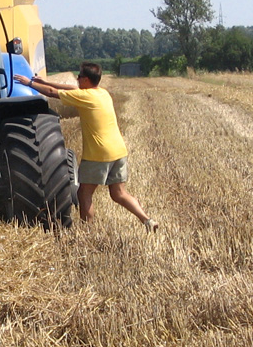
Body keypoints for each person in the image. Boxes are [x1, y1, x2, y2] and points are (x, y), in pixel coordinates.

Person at [14, 61, 159, 232]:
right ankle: (147, 220)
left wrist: (29, 83)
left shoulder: (85, 96)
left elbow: (54, 93)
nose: (77, 78)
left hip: (99, 153)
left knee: (84, 193)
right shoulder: (103, 93)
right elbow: (68, 89)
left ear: (86, 80)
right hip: (119, 150)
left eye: (80, 76)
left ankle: (87, 232)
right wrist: (44, 82)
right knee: (119, 193)